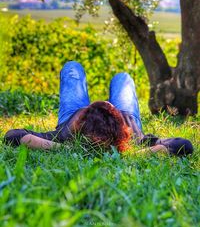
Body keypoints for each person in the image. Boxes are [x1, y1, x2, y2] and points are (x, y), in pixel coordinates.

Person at [4, 61, 193, 156]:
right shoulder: (134, 138)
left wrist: (61, 148)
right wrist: (137, 154)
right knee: (123, 78)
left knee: (72, 67)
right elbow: (183, 144)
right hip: (122, 118)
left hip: (73, 115)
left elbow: (13, 136)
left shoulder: (66, 136)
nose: (105, 102)